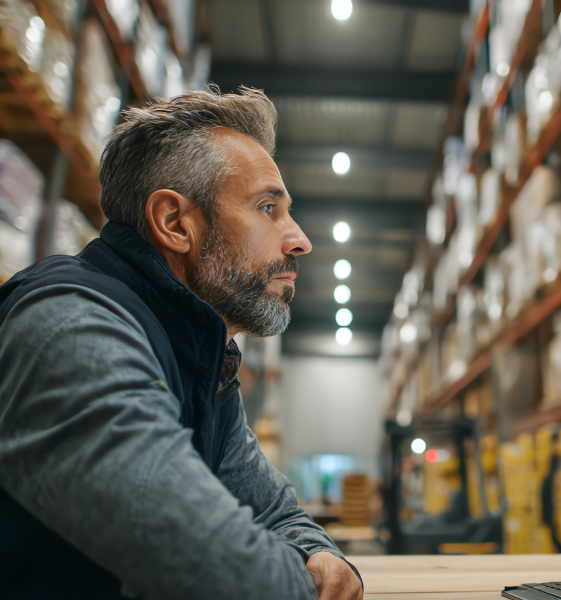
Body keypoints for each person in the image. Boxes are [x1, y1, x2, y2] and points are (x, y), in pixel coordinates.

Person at [0, 87, 364, 600]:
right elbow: (210, 566)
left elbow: (276, 512)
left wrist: (317, 554)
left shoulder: (199, 357)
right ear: (174, 223)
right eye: (268, 208)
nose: (300, 240)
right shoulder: (71, 325)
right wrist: (307, 578)